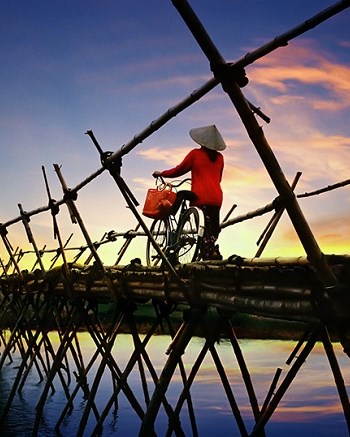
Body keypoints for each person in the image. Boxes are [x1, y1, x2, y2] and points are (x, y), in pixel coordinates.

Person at [153, 124, 226, 260]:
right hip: (216, 198)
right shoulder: (220, 158)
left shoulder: (195, 154)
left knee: (182, 196)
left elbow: (179, 170)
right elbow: (218, 178)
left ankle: (173, 223)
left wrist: (161, 173)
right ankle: (209, 251)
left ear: (202, 140)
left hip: (200, 197)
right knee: (212, 229)